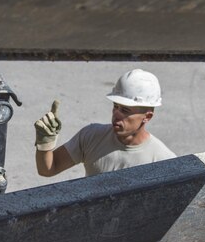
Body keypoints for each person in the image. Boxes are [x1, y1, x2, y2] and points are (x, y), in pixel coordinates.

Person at [34, 69, 175, 178]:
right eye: (115, 106)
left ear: (147, 117)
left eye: (125, 110)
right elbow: (48, 169)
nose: (116, 114)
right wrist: (45, 142)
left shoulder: (163, 161)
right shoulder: (91, 136)